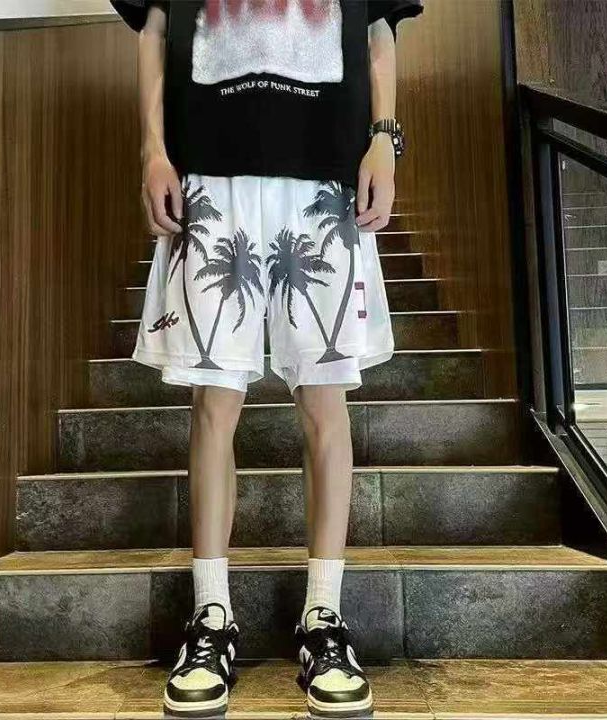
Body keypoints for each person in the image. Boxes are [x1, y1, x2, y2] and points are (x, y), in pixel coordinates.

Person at [110, 0, 423, 716]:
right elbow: (156, 29)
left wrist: (383, 137)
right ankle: (211, 617)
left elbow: (378, 28)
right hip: (210, 172)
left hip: (325, 172)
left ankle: (323, 618)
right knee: (213, 403)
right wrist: (153, 150)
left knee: (324, 400)